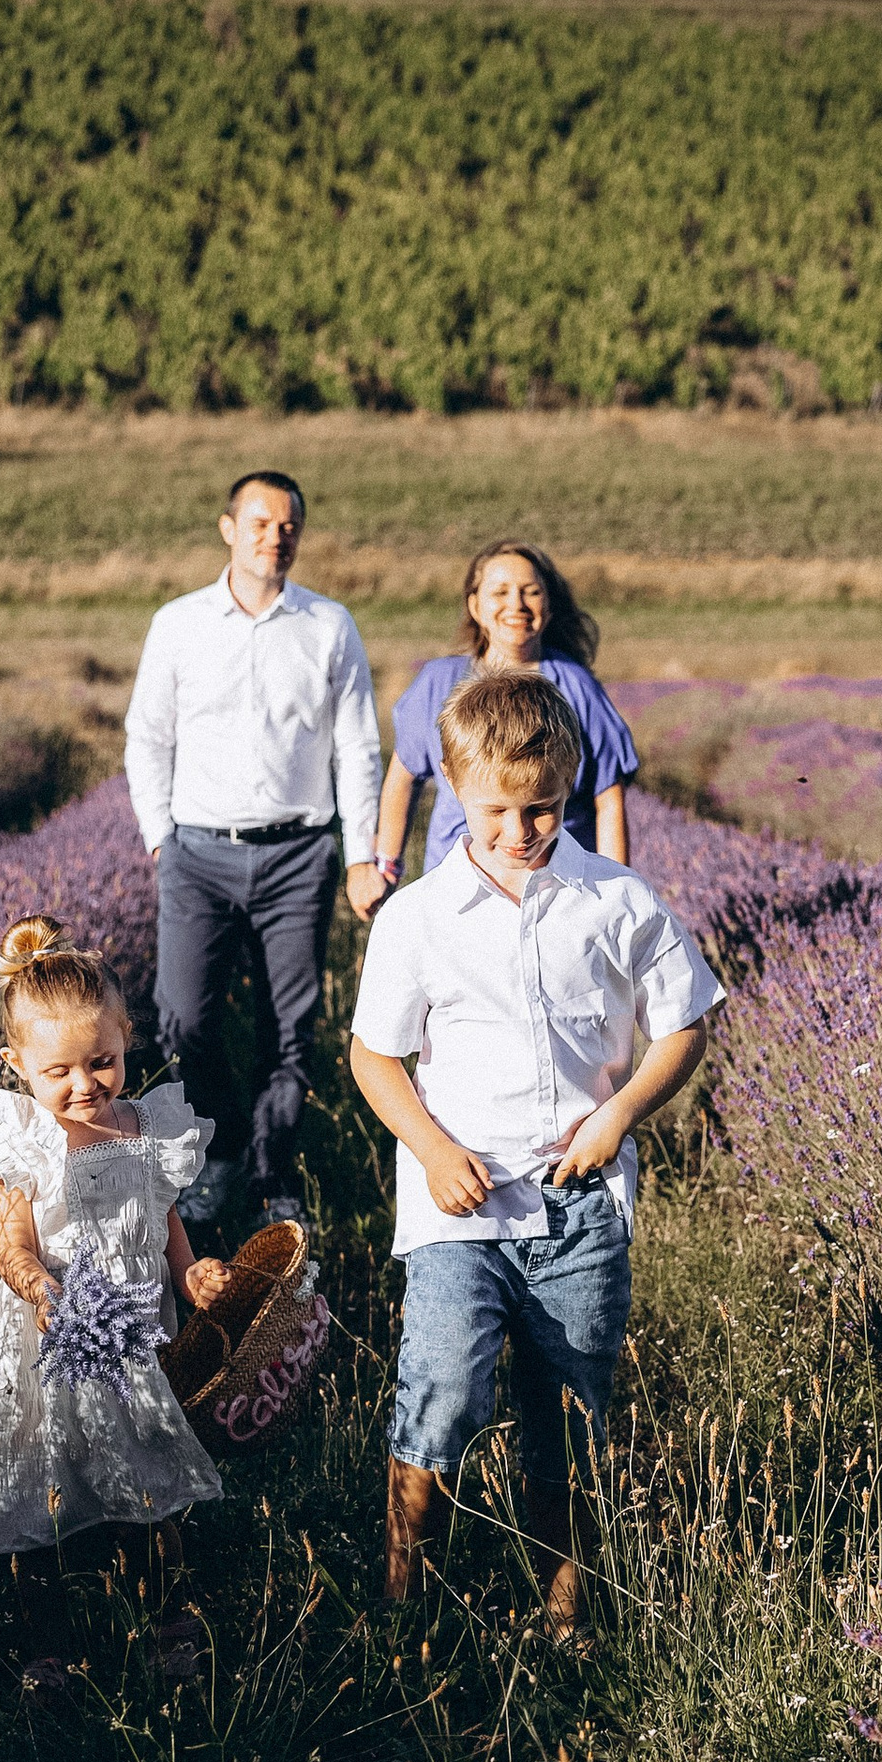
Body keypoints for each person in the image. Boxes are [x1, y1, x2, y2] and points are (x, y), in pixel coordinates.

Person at [348, 673, 722, 1634]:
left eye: (543, 808)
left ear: (570, 786)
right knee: (443, 1387)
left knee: (572, 1403)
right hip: (457, 1208)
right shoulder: (417, 919)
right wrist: (429, 1150)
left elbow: (684, 1025)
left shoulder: (615, 898)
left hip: (580, 1200)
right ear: (454, 796)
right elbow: (374, 1056)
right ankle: (404, 1600)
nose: (520, 831)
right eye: (496, 811)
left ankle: (567, 1609)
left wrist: (622, 1114)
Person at [0, 914, 234, 1693]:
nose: (84, 1086)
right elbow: (12, 1248)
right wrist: (42, 1288)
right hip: (52, 1343)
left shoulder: (147, 1126)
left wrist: (193, 1278)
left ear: (126, 1038)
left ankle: (169, 1622)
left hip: (137, 1340)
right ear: (17, 1066)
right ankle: (48, 1649)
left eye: (102, 1062)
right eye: (60, 1072)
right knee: (38, 1488)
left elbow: (166, 1221)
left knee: (151, 1482)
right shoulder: (19, 1143)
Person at [125, 470, 386, 1231]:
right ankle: (226, 1150)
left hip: (298, 856)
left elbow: (358, 746)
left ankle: (274, 1178)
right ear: (228, 528)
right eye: (261, 521)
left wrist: (362, 850)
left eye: (289, 524)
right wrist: (159, 841)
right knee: (183, 1020)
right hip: (196, 854)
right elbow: (148, 736)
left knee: (289, 1026)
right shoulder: (178, 622)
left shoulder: (329, 626)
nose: (276, 535)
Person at [374, 540, 639, 888]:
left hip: (555, 885)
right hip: (457, 885)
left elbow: (608, 801)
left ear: (549, 604)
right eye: (500, 592)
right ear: (475, 605)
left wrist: (615, 888)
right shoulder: (438, 683)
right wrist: (385, 867)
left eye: (530, 592)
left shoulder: (577, 687)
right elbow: (402, 780)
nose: (516, 604)